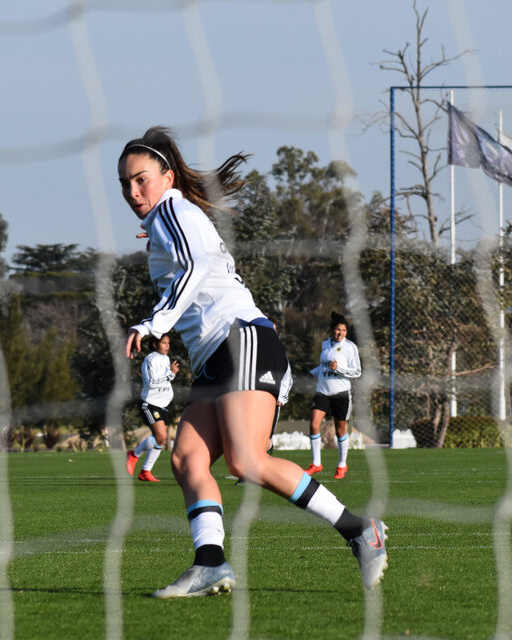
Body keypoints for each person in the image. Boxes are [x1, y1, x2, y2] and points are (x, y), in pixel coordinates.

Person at [119, 126, 387, 598]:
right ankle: (210, 563)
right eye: (125, 184)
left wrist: (153, 322)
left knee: (246, 461)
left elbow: (198, 267)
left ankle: (360, 530)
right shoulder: (171, 216)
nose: (133, 191)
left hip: (241, 339)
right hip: (215, 356)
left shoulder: (171, 210)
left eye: (141, 179)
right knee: (186, 458)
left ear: (166, 176)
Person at [305, 312, 361, 480]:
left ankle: (341, 466)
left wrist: (339, 369)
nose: (340, 333)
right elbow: (324, 366)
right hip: (322, 391)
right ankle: (316, 464)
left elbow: (357, 371)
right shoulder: (325, 345)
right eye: (338, 330)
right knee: (314, 425)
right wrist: (313, 372)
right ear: (331, 330)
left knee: (340, 431)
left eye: (343, 330)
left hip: (341, 394)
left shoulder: (350, 347)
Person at [127, 334, 180, 482]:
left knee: (161, 441)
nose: (167, 346)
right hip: (150, 404)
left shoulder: (166, 358)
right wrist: (171, 374)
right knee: (161, 437)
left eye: (168, 343)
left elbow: (165, 380)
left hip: (162, 405)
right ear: (155, 345)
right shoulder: (151, 359)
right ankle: (134, 455)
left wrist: (171, 374)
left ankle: (145, 472)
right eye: (164, 343)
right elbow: (151, 382)